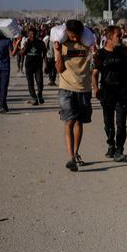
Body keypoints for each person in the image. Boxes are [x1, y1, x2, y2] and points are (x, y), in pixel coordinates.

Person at [56, 19, 95, 171]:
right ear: (67, 33)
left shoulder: (87, 42)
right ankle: (71, 157)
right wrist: (58, 52)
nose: (75, 38)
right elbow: (59, 69)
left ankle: (76, 152)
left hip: (84, 87)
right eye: (72, 36)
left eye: (77, 35)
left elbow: (93, 63)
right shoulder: (62, 44)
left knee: (79, 122)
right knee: (69, 121)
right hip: (66, 88)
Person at [92, 25, 127, 162]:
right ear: (110, 37)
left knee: (121, 123)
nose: (121, 37)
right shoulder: (100, 54)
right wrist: (95, 88)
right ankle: (111, 144)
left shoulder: (123, 51)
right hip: (107, 92)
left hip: (122, 92)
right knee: (108, 123)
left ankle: (119, 149)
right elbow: (94, 73)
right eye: (118, 35)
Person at [21, 27, 47, 105]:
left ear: (36, 34)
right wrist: (25, 47)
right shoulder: (26, 42)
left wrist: (46, 65)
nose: (31, 35)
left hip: (38, 65)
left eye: (32, 34)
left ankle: (39, 94)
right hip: (29, 65)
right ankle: (34, 98)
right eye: (29, 34)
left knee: (40, 82)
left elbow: (44, 54)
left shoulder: (41, 43)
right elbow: (22, 53)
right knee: (30, 83)